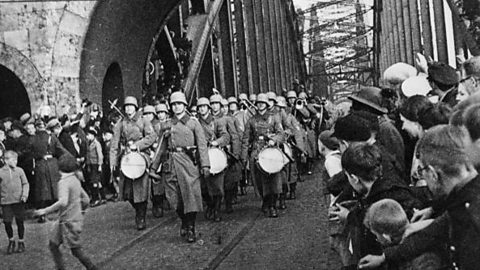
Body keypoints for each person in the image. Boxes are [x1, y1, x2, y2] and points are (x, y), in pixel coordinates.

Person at [359, 125, 480, 270]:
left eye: (421, 170)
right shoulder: (463, 199)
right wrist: (386, 256)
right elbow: (434, 231)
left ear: (433, 173)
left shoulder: (471, 220)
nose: (421, 176)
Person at [329, 142, 421, 267]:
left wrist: (350, 217)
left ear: (354, 178)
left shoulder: (385, 202)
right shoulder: (386, 188)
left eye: (348, 178)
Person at [157, 91, 209, 243]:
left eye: (179, 104)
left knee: (190, 197)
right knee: (174, 199)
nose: (176, 107)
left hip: (188, 163)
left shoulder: (193, 123)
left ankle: (191, 226)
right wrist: (154, 167)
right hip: (171, 164)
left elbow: (202, 145)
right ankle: (184, 220)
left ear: (185, 105)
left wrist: (205, 164)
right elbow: (161, 147)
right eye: (173, 104)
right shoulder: (166, 124)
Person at [34, 154, 97, 270]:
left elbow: (63, 202)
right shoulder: (75, 179)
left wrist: (45, 210)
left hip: (67, 222)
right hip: (69, 220)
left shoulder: (63, 182)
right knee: (53, 244)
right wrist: (80, 212)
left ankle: (92, 268)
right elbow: (86, 199)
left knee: (76, 250)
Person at [109, 96, 157, 230]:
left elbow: (152, 136)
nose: (128, 109)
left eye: (131, 106)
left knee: (141, 190)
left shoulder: (144, 121)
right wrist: (113, 161)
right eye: (126, 106)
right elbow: (114, 143)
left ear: (136, 108)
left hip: (142, 156)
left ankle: (141, 216)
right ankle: (137, 209)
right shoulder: (121, 123)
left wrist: (138, 145)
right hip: (127, 159)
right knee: (128, 192)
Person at [361, 199, 445, 270]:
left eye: (376, 235)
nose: (377, 240)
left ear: (387, 236)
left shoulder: (418, 262)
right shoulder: (430, 231)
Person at [241, 93, 284, 218]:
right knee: (259, 182)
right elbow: (246, 139)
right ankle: (265, 201)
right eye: (258, 103)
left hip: (271, 151)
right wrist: (244, 157)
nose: (260, 105)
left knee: (274, 180)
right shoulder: (251, 120)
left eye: (263, 103)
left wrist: (274, 139)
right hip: (256, 151)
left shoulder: (274, 118)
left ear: (266, 104)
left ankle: (273, 205)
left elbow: (281, 134)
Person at [197, 96, 229, 222]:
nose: (202, 109)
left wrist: (217, 142)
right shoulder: (195, 122)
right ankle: (210, 205)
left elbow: (226, 136)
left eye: (204, 106)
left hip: (215, 155)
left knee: (217, 186)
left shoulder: (217, 121)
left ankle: (216, 209)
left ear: (208, 108)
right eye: (200, 107)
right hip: (201, 156)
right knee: (203, 186)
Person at [32, 119, 66, 223]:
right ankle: (63, 212)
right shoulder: (52, 137)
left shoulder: (32, 139)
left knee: (42, 191)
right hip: (52, 164)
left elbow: (29, 153)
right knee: (56, 189)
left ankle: (41, 215)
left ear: (36, 127)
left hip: (40, 164)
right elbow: (61, 150)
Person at [0, 151, 29, 254]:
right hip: (6, 202)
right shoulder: (0, 172)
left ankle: (21, 241)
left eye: (16, 160)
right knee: (7, 222)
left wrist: (24, 195)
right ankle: (11, 241)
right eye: (13, 160)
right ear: (5, 160)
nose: (16, 162)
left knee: (20, 221)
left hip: (18, 201)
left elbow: (25, 183)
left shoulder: (20, 171)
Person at [85, 127, 104, 207]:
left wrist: (100, 165)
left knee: (94, 182)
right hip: (91, 164)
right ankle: (102, 197)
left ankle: (96, 199)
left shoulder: (96, 143)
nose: (87, 137)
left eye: (89, 135)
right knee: (97, 182)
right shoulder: (89, 143)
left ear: (93, 135)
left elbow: (100, 155)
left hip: (96, 164)